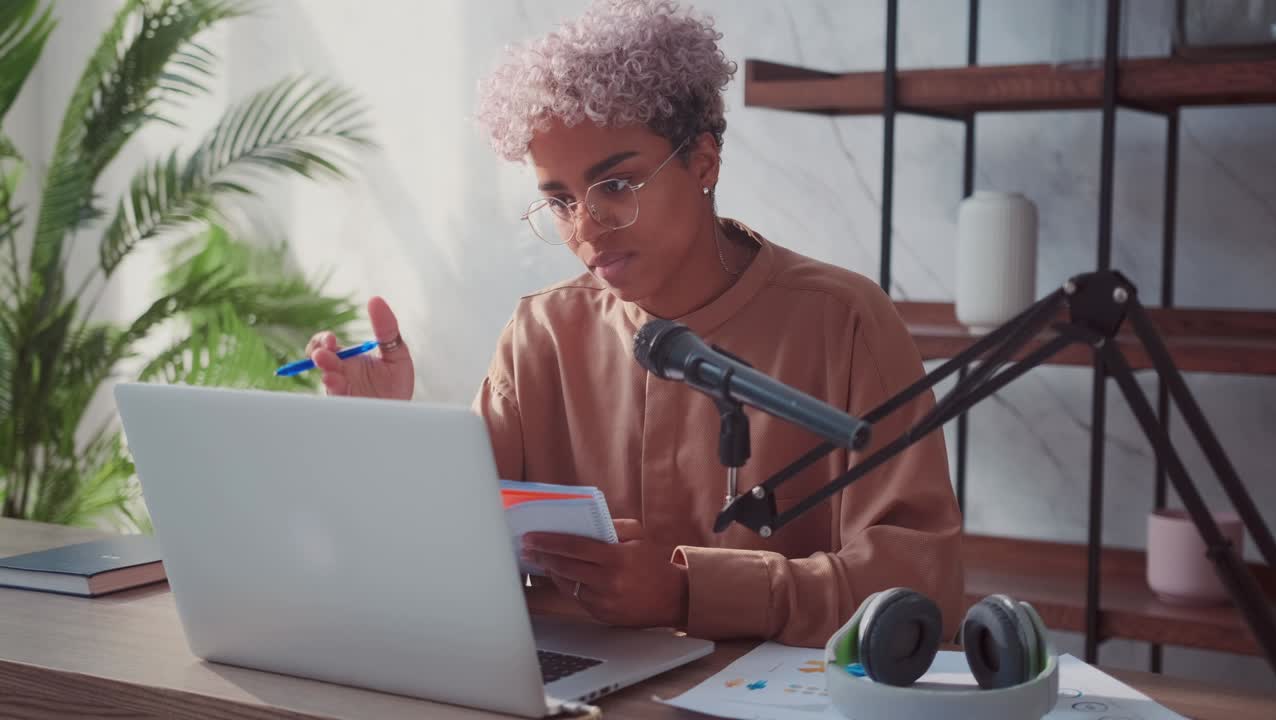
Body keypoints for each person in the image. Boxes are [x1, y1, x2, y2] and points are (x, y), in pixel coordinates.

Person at [305, 0, 962, 648]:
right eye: (559, 200)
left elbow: (918, 590)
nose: (584, 227)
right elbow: (451, 552)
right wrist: (384, 434)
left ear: (702, 162)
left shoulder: (842, 321)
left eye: (615, 185)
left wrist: (689, 592)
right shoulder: (544, 333)